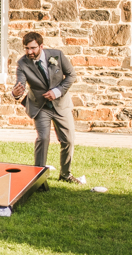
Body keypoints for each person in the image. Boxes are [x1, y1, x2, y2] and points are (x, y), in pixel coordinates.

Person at [12, 32, 83, 184]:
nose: (29, 52)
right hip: (40, 106)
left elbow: (71, 75)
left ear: (41, 46)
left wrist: (57, 91)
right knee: (43, 138)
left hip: (61, 104)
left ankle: (65, 175)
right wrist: (16, 92)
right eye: (26, 48)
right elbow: (20, 83)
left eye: (33, 48)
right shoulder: (23, 63)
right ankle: (38, 178)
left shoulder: (57, 55)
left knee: (68, 140)